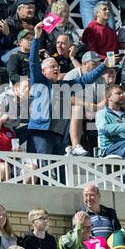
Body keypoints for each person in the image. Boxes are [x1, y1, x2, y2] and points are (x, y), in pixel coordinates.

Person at [28, 22, 108, 157]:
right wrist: (36, 37)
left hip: (59, 135)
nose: (56, 68)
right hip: (42, 133)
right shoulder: (39, 82)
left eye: (57, 66)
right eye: (52, 66)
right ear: (43, 71)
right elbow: (33, 62)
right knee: (44, 168)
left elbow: (85, 80)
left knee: (61, 172)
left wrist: (103, 66)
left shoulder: (64, 86)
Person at [95, 84, 125, 159]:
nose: (122, 95)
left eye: (122, 93)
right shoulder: (101, 113)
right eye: (118, 93)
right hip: (111, 147)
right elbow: (104, 129)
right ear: (109, 97)